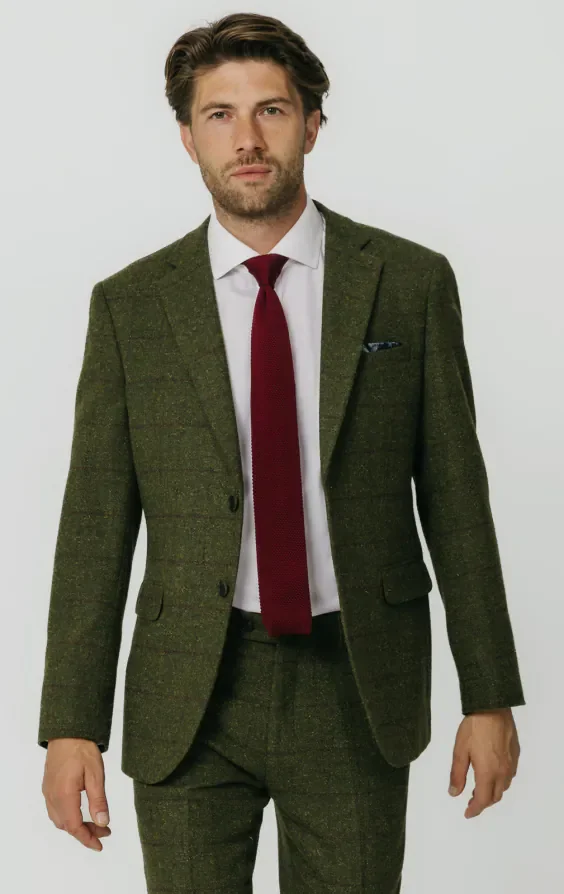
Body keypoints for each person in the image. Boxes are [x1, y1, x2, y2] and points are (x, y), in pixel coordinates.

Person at [38, 11, 526, 893]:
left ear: (312, 124)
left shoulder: (408, 284)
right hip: (190, 690)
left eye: (271, 109)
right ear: (187, 137)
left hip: (355, 681)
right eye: (220, 115)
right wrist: (72, 723)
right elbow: (93, 528)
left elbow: (458, 499)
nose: (248, 139)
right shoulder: (132, 307)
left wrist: (489, 695)